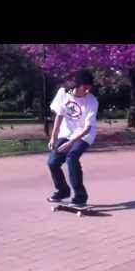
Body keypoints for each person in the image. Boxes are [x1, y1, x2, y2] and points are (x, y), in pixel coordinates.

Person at [47, 69, 98, 206]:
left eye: (89, 88)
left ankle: (80, 196)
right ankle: (63, 190)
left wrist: (71, 143)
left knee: (72, 157)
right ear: (77, 85)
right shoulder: (64, 94)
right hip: (66, 133)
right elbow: (59, 115)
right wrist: (53, 137)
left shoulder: (92, 101)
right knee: (53, 162)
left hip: (84, 135)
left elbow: (87, 128)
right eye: (85, 87)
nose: (87, 91)